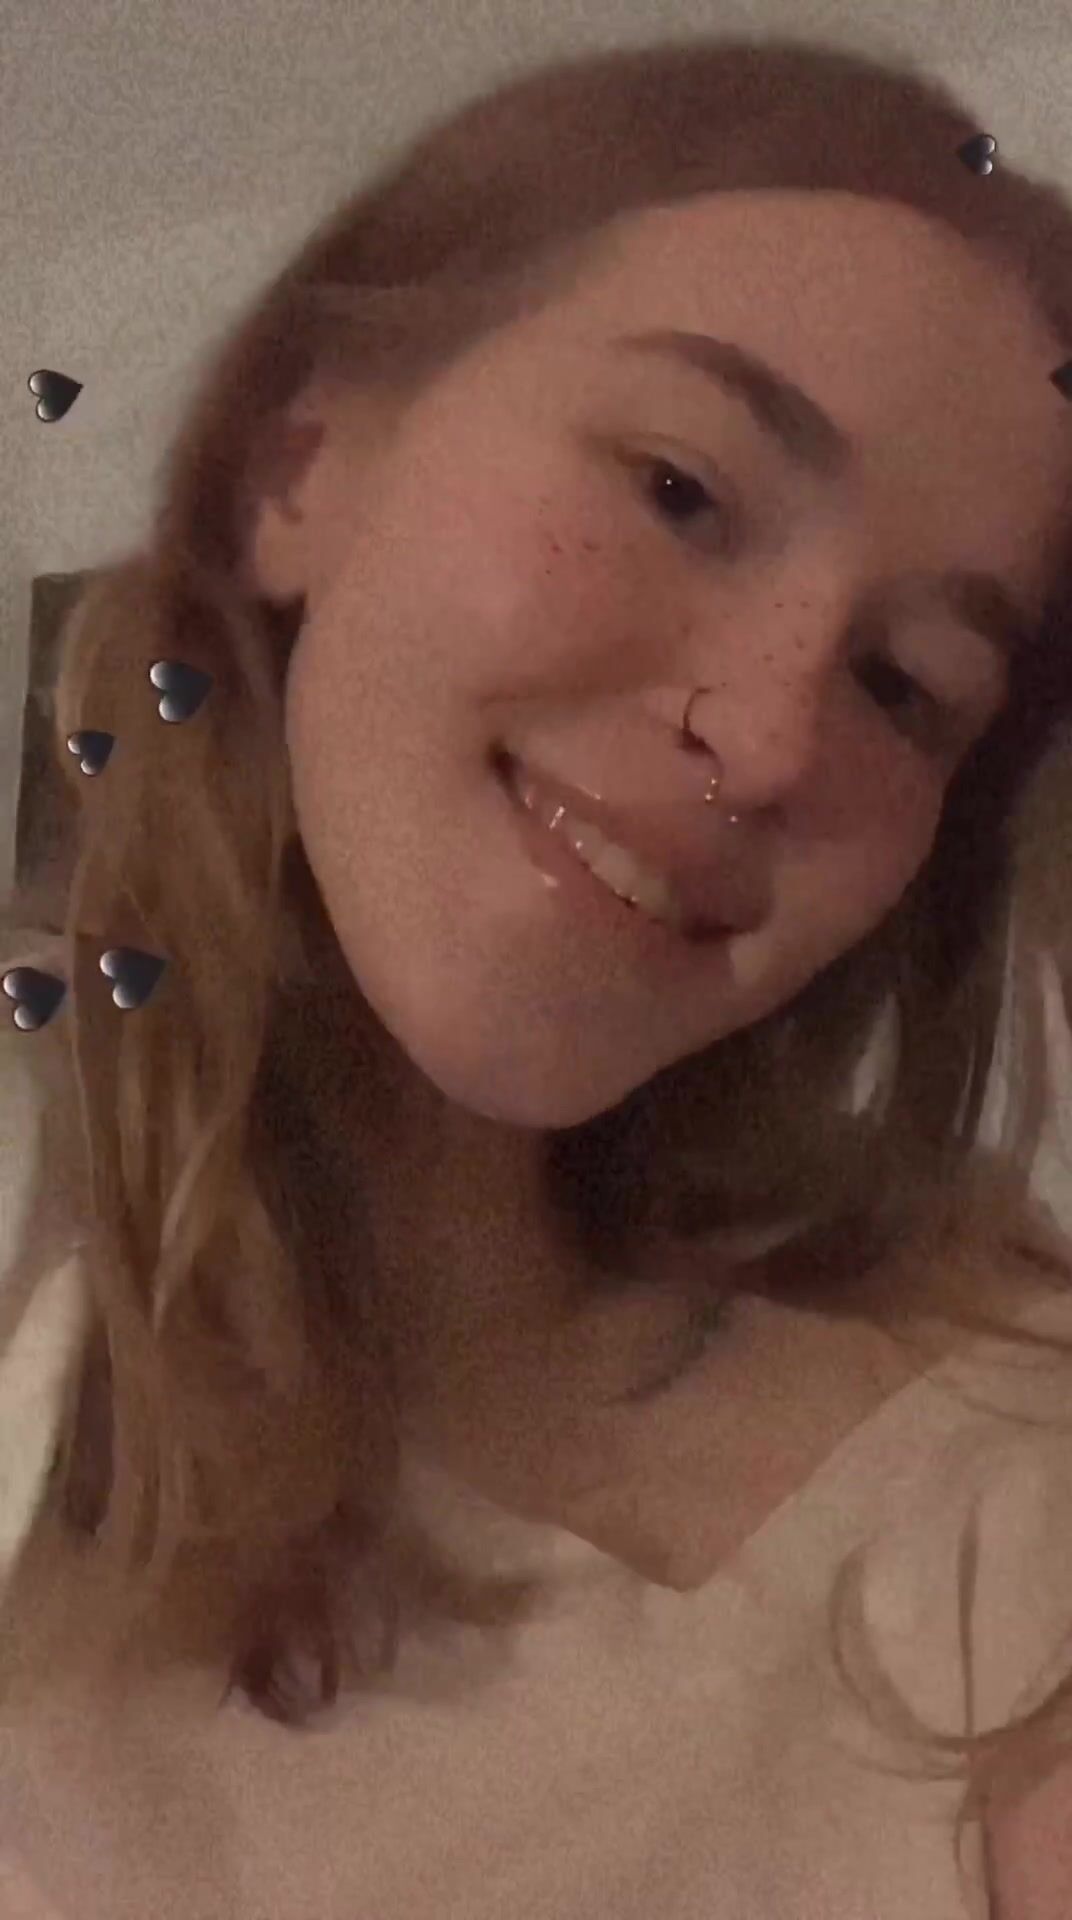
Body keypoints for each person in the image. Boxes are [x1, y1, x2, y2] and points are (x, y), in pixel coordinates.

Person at [1, 30, 1072, 1919]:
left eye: (907, 686)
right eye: (681, 489)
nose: (766, 739)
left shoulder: (995, 1512)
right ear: (298, 464)